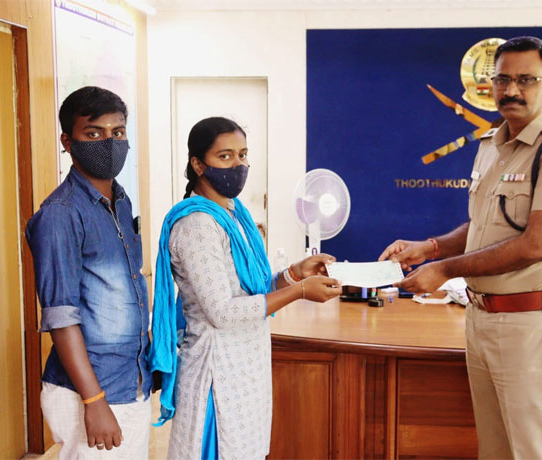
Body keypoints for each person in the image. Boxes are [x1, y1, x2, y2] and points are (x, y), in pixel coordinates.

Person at [379, 37, 542, 459]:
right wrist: (432, 248)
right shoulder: (491, 145)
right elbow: (484, 226)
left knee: (536, 451)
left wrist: (445, 270)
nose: (511, 90)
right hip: (481, 319)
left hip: (530, 324)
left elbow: (536, 245)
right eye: (503, 80)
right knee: (495, 451)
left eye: (525, 80)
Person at [148, 117, 342, 459]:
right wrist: (299, 292)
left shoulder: (234, 215)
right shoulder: (198, 225)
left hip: (245, 368)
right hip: (216, 373)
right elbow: (222, 312)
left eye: (242, 154)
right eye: (225, 156)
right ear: (198, 164)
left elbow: (253, 290)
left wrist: (295, 273)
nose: (238, 165)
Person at [26, 86, 152, 459]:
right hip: (91, 391)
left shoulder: (120, 201)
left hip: (129, 381)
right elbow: (61, 317)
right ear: (68, 141)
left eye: (118, 132)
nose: (110, 143)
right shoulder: (60, 214)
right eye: (94, 133)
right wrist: (94, 401)